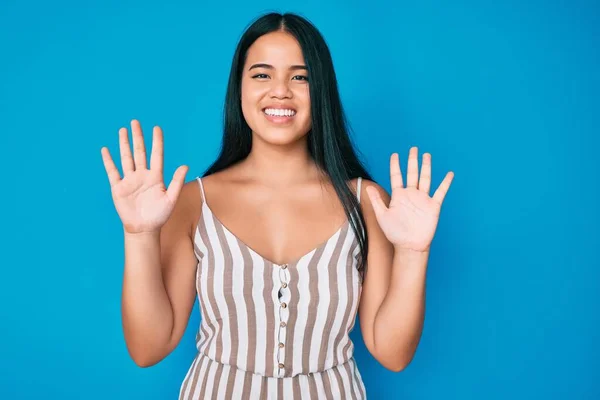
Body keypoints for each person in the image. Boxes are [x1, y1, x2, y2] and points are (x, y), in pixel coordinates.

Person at [100, 11, 454, 400]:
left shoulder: (367, 203)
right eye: (262, 74)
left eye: (300, 77)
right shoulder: (191, 203)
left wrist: (412, 252)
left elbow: (393, 353)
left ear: (322, 91)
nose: (281, 91)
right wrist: (139, 234)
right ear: (239, 88)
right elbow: (149, 348)